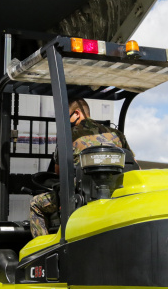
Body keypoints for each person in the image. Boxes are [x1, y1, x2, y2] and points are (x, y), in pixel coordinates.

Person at [29, 98, 132, 237]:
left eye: (67, 117)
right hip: (116, 195)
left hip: (81, 196)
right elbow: (132, 163)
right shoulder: (116, 134)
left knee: (36, 204)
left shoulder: (68, 136)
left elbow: (59, 172)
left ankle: (41, 250)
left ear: (77, 114)